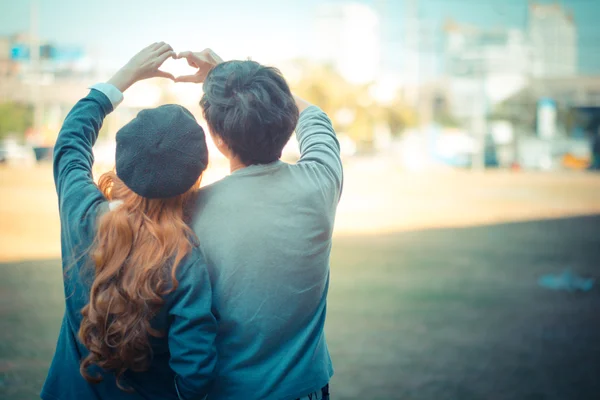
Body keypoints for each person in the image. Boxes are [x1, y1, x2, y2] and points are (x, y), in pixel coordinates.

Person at [41, 43, 217, 400]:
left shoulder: (83, 214)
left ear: (123, 161)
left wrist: (124, 77)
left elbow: (71, 143)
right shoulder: (186, 261)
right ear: (194, 179)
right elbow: (195, 372)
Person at [176, 49, 343, 399]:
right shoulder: (321, 182)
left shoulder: (190, 212)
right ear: (287, 122)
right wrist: (225, 73)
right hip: (307, 391)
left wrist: (225, 83)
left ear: (218, 140)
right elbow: (314, 115)